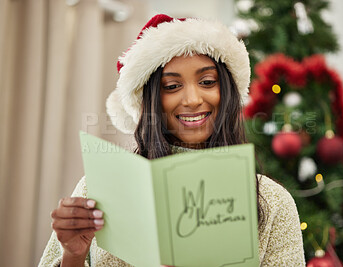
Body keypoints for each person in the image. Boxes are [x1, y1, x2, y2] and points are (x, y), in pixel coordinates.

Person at [39, 14, 305, 266]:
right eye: (171, 86)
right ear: (150, 101)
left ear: (227, 91)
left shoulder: (273, 202)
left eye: (207, 81)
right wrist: (72, 256)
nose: (192, 100)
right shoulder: (97, 190)